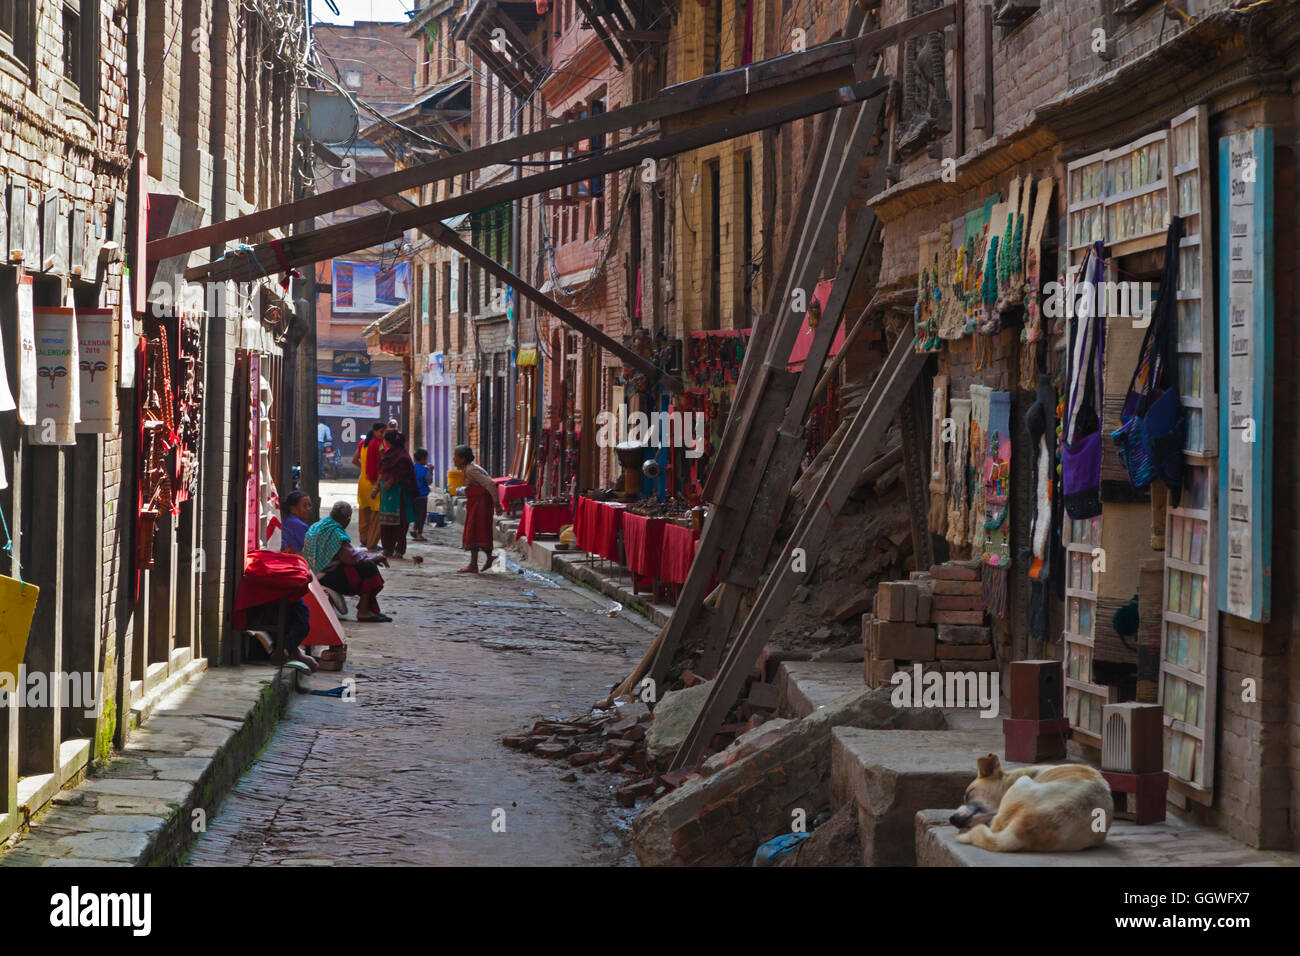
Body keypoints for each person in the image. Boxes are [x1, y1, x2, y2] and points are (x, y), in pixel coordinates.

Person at [303, 501, 391, 622]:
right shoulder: (336, 532)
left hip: (314, 572)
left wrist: (370, 556)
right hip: (325, 576)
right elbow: (351, 558)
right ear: (347, 519)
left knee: (366, 562)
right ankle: (364, 611)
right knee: (368, 566)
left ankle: (368, 610)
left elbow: (350, 554)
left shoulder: (320, 525)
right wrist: (374, 558)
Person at [454, 444, 503, 573]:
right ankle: (488, 558)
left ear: (463, 459)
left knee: (474, 530)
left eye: (456, 457)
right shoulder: (469, 468)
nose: (454, 459)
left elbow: (490, 483)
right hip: (477, 502)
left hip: (480, 503)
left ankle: (473, 564)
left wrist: (497, 503)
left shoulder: (471, 470)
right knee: (480, 530)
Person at [372, 429, 418, 558]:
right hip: (386, 495)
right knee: (386, 523)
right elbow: (383, 473)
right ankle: (387, 548)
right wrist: (377, 488)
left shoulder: (402, 456)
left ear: (389, 441)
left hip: (399, 494)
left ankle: (399, 549)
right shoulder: (387, 455)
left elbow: (402, 473)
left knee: (400, 523)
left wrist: (391, 482)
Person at [352, 421, 386, 550]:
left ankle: (363, 539)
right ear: (375, 431)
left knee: (364, 511)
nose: (383, 435)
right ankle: (372, 542)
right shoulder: (380, 445)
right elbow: (383, 464)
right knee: (375, 513)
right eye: (381, 432)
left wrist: (364, 469)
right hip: (375, 482)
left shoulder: (363, 444)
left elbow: (354, 460)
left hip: (363, 481)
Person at [280, 490, 313, 554]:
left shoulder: (287, 521)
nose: (308, 508)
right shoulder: (297, 524)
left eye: (309, 505)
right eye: (304, 506)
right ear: (293, 509)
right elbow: (312, 548)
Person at [411, 449, 431, 541]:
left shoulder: (411, 467)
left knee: (415, 513)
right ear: (423, 459)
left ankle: (414, 529)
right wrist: (431, 471)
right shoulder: (425, 470)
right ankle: (419, 534)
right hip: (422, 495)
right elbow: (429, 481)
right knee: (421, 515)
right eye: (426, 459)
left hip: (412, 494)